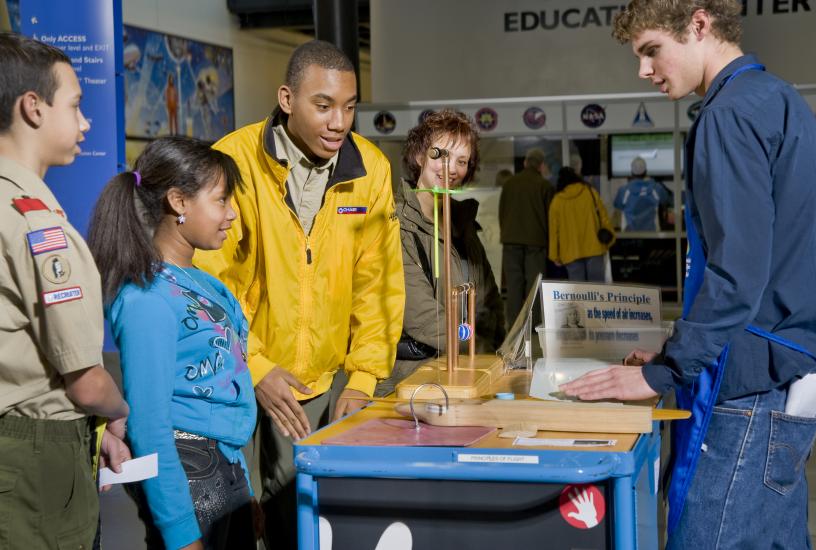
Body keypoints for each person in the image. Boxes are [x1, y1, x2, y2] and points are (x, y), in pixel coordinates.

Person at [561, 2, 816, 548]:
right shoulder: (780, 100)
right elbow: (777, 260)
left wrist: (667, 371)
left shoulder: (729, 113)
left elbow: (739, 272)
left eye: (651, 50)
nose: (644, 70)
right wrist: (678, 342)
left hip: (749, 388)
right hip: (792, 373)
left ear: (699, 25)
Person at [192, 40, 404, 548]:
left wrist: (362, 377)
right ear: (287, 99)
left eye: (350, 107)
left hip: (320, 386)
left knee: (301, 523)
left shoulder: (370, 171)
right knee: (233, 523)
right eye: (324, 105)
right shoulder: (234, 161)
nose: (339, 122)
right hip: (234, 376)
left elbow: (377, 285)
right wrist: (256, 367)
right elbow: (208, 280)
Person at [88, 137, 257, 550]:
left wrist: (246, 492)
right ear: (179, 202)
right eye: (221, 200)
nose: (231, 214)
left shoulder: (208, 284)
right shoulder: (146, 298)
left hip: (227, 474)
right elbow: (148, 426)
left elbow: (227, 392)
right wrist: (182, 534)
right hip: (188, 481)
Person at [0, 32, 130, 549]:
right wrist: (120, 413)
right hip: (35, 457)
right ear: (33, 108)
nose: (85, 122)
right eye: (75, 105)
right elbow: (85, 382)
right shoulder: (38, 226)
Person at [376, 110, 505, 396]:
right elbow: (423, 319)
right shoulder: (396, 225)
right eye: (440, 154)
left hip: (465, 370)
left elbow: (490, 301)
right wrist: (481, 348)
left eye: (462, 161)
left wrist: (496, 353)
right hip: (411, 381)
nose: (451, 168)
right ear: (420, 156)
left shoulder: (463, 225)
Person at [499, 147, 554, 329]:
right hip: (536, 242)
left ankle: (514, 327)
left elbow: (502, 212)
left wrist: (506, 233)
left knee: (514, 286)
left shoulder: (509, 183)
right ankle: (534, 325)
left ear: (525, 163)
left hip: (511, 240)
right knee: (534, 286)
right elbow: (550, 218)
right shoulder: (545, 186)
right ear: (541, 166)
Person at [548, 166, 615, 282]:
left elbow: (554, 231)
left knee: (578, 293)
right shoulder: (590, 193)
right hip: (594, 248)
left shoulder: (557, 201)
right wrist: (610, 238)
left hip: (570, 253)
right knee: (597, 291)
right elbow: (603, 217)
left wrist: (554, 255)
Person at [613, 156, 668, 231]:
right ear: (645, 171)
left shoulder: (624, 190)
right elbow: (666, 200)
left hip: (629, 235)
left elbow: (617, 205)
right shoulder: (656, 188)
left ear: (632, 172)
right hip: (652, 235)